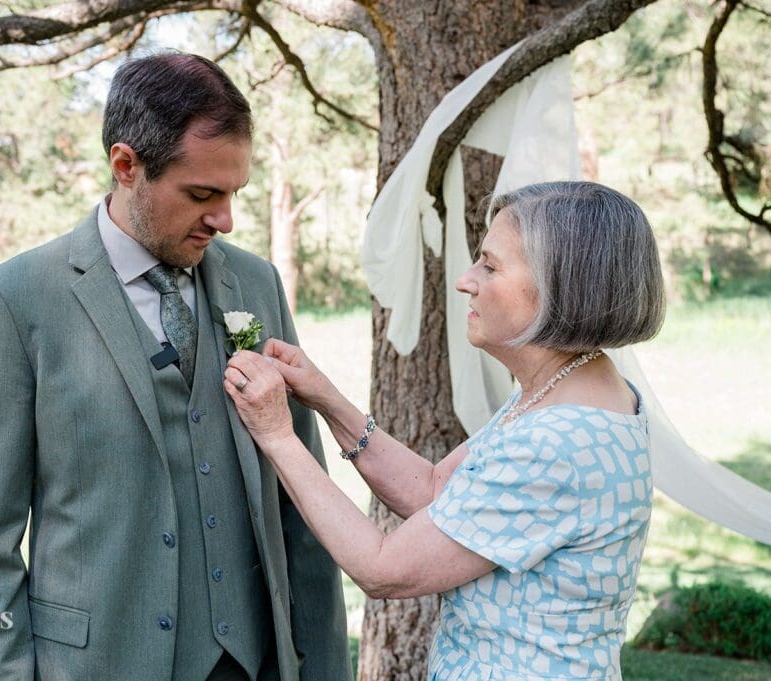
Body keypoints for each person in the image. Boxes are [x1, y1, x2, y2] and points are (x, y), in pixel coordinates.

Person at [0, 52, 351, 681]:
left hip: (253, 664)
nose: (224, 219)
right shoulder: (17, 301)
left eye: (233, 193)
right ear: (126, 165)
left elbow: (301, 506)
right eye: (202, 194)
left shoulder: (256, 283)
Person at [224, 181, 666, 680]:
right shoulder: (569, 388)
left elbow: (382, 568)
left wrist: (278, 435)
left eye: (490, 266)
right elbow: (436, 492)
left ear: (558, 287)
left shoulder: (558, 441)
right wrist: (327, 399)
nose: (465, 281)